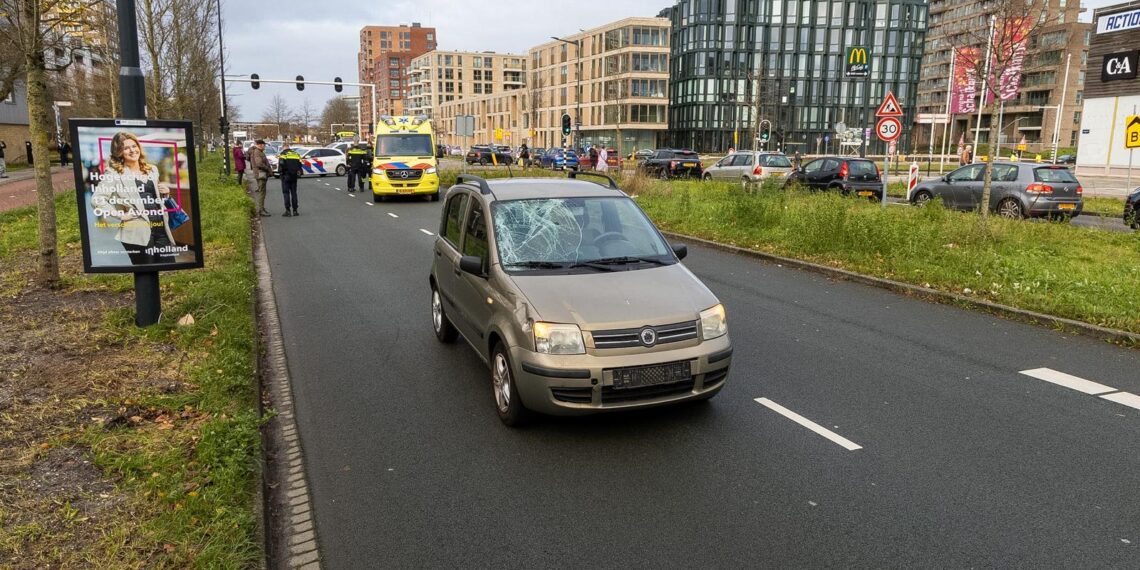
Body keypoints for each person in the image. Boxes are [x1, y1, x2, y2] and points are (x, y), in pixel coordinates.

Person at [90, 131, 179, 266]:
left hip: (160, 228)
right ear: (119, 152)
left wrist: (165, 193)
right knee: (146, 271)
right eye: (126, 148)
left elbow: (152, 197)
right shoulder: (114, 173)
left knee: (169, 266)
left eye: (134, 146)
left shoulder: (152, 170)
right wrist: (120, 215)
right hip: (137, 230)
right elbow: (97, 199)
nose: (132, 150)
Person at [278, 143, 303, 217]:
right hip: (294, 176)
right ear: (289, 147)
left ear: (283, 147)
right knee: (294, 193)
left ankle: (288, 210)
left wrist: (280, 174)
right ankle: (295, 210)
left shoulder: (283, 154)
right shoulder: (296, 154)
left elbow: (281, 164)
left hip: (286, 175)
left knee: (286, 193)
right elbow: (300, 164)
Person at [247, 140, 272, 216]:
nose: (264, 146)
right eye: (264, 145)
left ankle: (262, 208)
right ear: (260, 145)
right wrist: (267, 168)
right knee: (262, 193)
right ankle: (260, 210)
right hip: (261, 174)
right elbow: (259, 163)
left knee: (262, 192)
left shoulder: (258, 151)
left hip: (260, 174)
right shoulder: (257, 152)